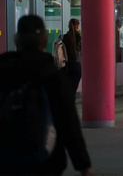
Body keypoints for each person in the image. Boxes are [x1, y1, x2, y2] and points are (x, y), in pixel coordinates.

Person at [0, 15, 93, 175]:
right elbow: (67, 119)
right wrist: (83, 164)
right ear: (43, 39)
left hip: (5, 158)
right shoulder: (50, 72)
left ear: (17, 39)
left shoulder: (3, 68)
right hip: (46, 160)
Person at [62, 18, 82, 100]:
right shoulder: (80, 38)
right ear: (77, 26)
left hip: (66, 66)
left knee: (67, 88)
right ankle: (70, 104)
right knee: (73, 89)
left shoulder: (63, 37)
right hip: (76, 66)